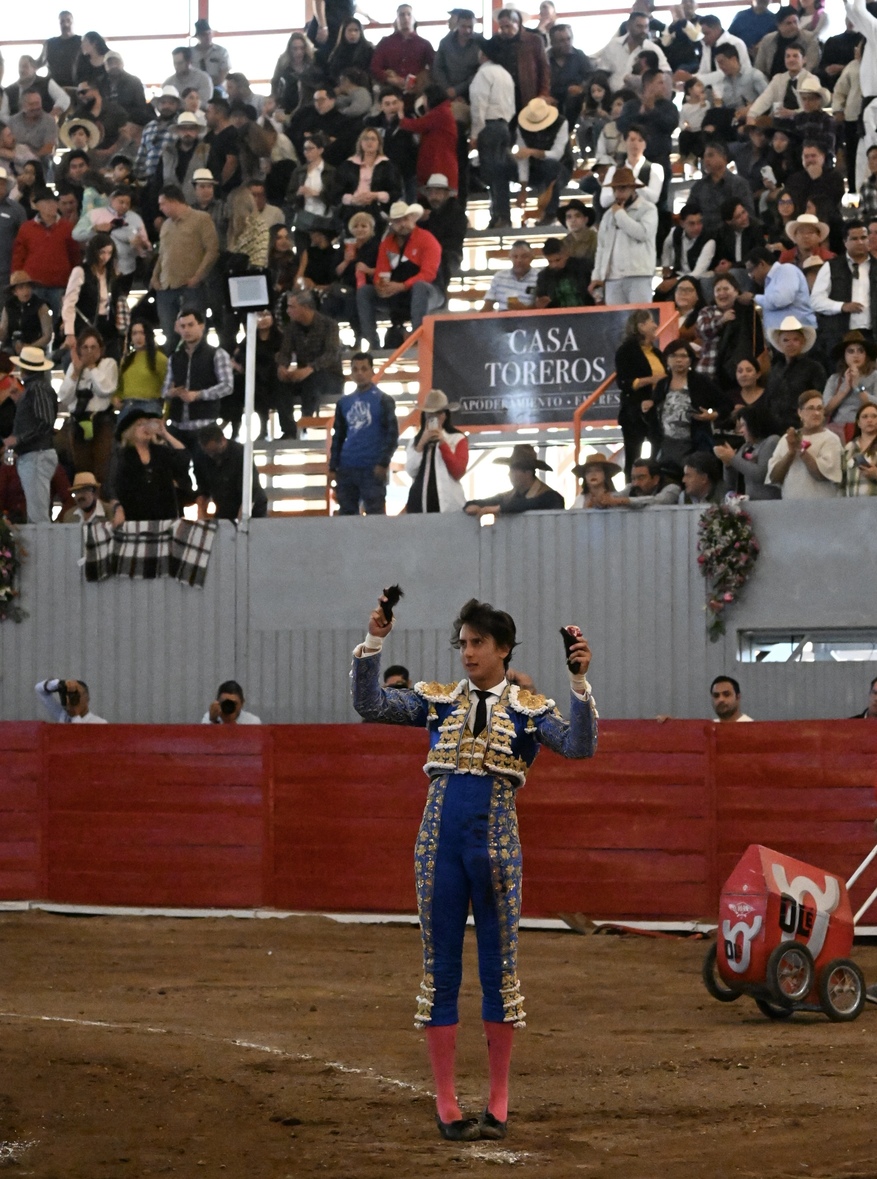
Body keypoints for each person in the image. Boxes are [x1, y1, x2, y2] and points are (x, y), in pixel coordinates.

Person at [351, 593, 597, 1142]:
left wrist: (579, 682)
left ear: (503, 649)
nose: (466, 652)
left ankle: (498, 1101)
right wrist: (374, 641)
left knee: (498, 974)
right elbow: (371, 704)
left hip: (497, 850)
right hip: (438, 846)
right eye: (462, 643)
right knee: (440, 971)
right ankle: (446, 1103)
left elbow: (580, 747)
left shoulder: (531, 709)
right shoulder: (438, 701)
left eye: (477, 643)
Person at [357, 200, 443, 350]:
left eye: (405, 219)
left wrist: (402, 286)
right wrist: (381, 286)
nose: (402, 224)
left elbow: (428, 275)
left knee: (420, 287)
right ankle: (373, 344)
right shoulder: (386, 243)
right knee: (364, 292)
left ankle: (419, 339)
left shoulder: (427, 239)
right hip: (400, 294)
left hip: (430, 292)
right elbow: (381, 272)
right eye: (397, 221)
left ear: (412, 219)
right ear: (392, 223)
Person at [151, 185, 220, 354]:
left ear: (174, 201)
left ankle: (198, 365)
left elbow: (212, 250)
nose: (160, 208)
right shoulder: (166, 225)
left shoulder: (201, 219)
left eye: (163, 203)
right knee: (170, 335)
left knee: (195, 333)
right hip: (166, 286)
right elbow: (162, 254)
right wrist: (154, 276)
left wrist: (198, 276)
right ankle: (174, 366)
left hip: (190, 287)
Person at [328, 352, 398, 516]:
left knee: (375, 516)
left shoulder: (384, 400)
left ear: (372, 371)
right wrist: (333, 467)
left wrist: (383, 463)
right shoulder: (343, 403)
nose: (360, 373)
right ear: (351, 373)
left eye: (364, 369)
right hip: (347, 467)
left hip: (372, 467)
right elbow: (338, 437)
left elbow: (392, 434)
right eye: (355, 369)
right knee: (346, 516)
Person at [646, 337, 731, 467]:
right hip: (665, 446)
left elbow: (726, 404)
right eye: (673, 356)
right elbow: (653, 416)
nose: (678, 360)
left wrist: (712, 414)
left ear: (690, 360)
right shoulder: (662, 384)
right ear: (667, 359)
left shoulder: (700, 381)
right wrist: (646, 408)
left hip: (694, 446)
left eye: (683, 356)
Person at [162, 307, 233, 449]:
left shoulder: (217, 354)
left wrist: (198, 395)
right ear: (178, 328)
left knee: (204, 462)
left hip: (205, 424)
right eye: (183, 326)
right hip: (177, 424)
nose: (186, 330)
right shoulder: (174, 357)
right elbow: (164, 389)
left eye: (190, 325)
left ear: (202, 326)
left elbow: (227, 386)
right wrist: (171, 392)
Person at [2, 345, 58, 522]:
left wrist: (18, 439)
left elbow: (45, 423)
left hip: (36, 455)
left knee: (38, 515)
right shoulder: (36, 389)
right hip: (36, 455)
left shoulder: (37, 389)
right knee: (37, 512)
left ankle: (42, 541)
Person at [810, 221, 877, 367]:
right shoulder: (831, 266)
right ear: (845, 242)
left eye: (863, 237)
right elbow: (815, 301)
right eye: (854, 238)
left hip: (871, 335)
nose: (860, 242)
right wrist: (841, 306)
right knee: (840, 375)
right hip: (840, 335)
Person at [11, 187, 81, 326]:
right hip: (33, 283)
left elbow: (74, 255)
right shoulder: (26, 228)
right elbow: (18, 256)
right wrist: (17, 280)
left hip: (59, 283)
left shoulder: (67, 227)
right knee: (33, 321)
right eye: (47, 202)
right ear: (37, 206)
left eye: (54, 202)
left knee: (59, 321)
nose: (51, 205)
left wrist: (74, 280)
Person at [111, 406, 192, 524]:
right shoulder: (122, 455)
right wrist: (118, 507)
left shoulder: (160, 451)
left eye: (147, 423)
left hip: (164, 516)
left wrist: (165, 434)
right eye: (140, 424)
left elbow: (183, 458)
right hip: (135, 517)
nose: (146, 427)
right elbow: (112, 485)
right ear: (130, 431)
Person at [589, 167, 658, 306]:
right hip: (612, 277)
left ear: (633, 188)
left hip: (638, 274)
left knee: (640, 316)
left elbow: (643, 234)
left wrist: (620, 214)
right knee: (616, 319)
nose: (618, 193)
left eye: (622, 188)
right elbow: (601, 247)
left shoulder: (648, 209)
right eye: (615, 189)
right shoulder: (608, 215)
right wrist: (597, 276)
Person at [58, 327, 118, 484]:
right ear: (79, 349)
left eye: (93, 347)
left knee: (101, 469)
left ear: (100, 349)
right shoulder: (74, 366)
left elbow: (106, 390)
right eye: (85, 347)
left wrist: (92, 368)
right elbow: (64, 397)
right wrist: (75, 373)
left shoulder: (108, 364)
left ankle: (101, 497)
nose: (89, 351)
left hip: (101, 420)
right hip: (78, 421)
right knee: (81, 470)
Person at [277, 289, 344, 420]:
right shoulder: (291, 328)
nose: (288, 311)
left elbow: (331, 354)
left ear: (306, 307)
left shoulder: (329, 325)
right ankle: (288, 426)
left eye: (292, 307)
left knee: (312, 379)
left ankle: (306, 420)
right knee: (280, 384)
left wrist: (310, 368)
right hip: (304, 376)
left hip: (330, 377)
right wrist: (282, 367)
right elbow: (285, 352)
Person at [613, 309, 665, 477]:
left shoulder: (657, 353)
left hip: (656, 410)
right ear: (641, 326)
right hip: (634, 411)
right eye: (651, 322)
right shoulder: (626, 351)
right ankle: (632, 484)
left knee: (658, 452)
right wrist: (652, 379)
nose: (655, 325)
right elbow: (624, 382)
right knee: (633, 455)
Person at [766, 388, 843, 498]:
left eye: (819, 408)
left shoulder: (831, 439)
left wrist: (801, 450)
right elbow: (774, 478)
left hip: (822, 503)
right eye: (811, 408)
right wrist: (790, 453)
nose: (816, 413)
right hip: (790, 502)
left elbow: (822, 475)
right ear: (800, 412)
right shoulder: (786, 439)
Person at [405, 388, 468, 513]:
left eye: (438, 413)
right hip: (420, 504)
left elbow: (458, 471)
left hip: (450, 505)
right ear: (425, 415)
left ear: (445, 415)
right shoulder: (415, 441)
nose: (434, 417)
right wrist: (421, 443)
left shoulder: (457, 438)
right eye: (430, 413)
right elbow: (411, 470)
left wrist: (443, 443)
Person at [332, 126, 402, 232]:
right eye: (366, 139)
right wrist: (353, 199)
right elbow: (335, 193)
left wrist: (375, 195)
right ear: (360, 143)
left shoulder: (388, 166)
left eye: (373, 139)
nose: (369, 142)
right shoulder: (348, 165)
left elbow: (396, 192)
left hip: (377, 209)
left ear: (379, 143)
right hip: (351, 209)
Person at [763, 316, 826, 432]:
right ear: (779, 343)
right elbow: (768, 399)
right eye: (785, 340)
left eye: (795, 339)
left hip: (801, 425)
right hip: (772, 425)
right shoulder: (775, 369)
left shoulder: (814, 368)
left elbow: (819, 398)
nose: (790, 344)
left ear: (803, 342)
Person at [194, 424, 268, 522]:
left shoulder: (241, 453)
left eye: (215, 451)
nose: (211, 456)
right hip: (224, 507)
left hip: (252, 506)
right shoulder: (201, 456)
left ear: (223, 440)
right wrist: (201, 516)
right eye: (208, 452)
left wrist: (241, 522)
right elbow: (203, 490)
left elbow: (250, 491)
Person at [464, 444, 564, 515]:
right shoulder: (507, 497)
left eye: (513, 471)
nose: (509, 474)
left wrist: (498, 508)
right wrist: (472, 506)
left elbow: (527, 504)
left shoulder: (550, 497)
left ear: (527, 473)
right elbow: (480, 503)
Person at [714, 400, 781, 498]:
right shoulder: (745, 447)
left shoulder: (772, 441)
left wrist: (732, 458)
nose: (741, 430)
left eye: (743, 425)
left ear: (754, 423)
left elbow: (760, 475)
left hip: (769, 502)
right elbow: (729, 485)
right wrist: (727, 464)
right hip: (750, 502)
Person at [488, 8, 551, 110]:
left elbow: (544, 69)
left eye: (508, 26)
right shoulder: (497, 42)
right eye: (502, 27)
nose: (505, 31)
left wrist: (543, 93)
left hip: (528, 93)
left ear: (517, 23)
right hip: (504, 96)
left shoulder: (534, 40)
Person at [688, 140, 755, 235]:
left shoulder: (739, 184)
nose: (706, 160)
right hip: (704, 235)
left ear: (724, 158)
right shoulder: (698, 187)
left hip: (732, 235)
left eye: (710, 155)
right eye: (704, 156)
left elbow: (749, 214)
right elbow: (689, 212)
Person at [822, 331, 877, 436]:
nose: (856, 355)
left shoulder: (875, 376)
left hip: (867, 428)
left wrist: (858, 386)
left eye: (860, 351)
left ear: (866, 355)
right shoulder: (834, 379)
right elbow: (825, 410)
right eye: (851, 351)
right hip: (838, 428)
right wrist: (844, 390)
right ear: (844, 356)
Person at [370, 4, 436, 89]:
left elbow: (435, 67)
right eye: (401, 15)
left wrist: (423, 78)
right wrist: (389, 79)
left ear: (414, 19)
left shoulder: (424, 44)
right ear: (396, 19)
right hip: (390, 89)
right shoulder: (385, 43)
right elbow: (374, 67)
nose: (405, 17)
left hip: (417, 90)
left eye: (409, 14)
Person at [589, 455, 682, 508]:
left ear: (656, 479)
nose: (636, 483)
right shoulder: (631, 488)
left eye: (641, 478)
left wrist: (624, 501)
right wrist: (602, 500)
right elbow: (617, 496)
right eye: (633, 478)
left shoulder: (672, 488)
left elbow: (659, 501)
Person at [0, 271, 53, 355]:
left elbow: (47, 336)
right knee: (5, 354)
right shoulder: (8, 306)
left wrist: (29, 347)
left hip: (35, 347)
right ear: (14, 292)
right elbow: (3, 333)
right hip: (11, 347)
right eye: (21, 288)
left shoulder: (41, 306)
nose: (26, 291)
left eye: (28, 286)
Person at [534, 238, 592, 308]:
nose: (554, 265)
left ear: (566, 254)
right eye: (550, 261)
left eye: (558, 260)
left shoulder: (584, 267)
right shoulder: (544, 277)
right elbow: (541, 301)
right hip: (557, 314)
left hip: (588, 311)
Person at [483, 242, 538, 311]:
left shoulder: (540, 277)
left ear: (532, 257)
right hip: (503, 316)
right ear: (510, 257)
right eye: (515, 256)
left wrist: (523, 309)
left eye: (524, 256)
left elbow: (542, 307)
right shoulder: (499, 277)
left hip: (530, 317)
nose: (519, 260)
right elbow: (488, 306)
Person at [35, 677, 107, 724]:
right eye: (69, 695)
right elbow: (39, 689)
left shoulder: (99, 723)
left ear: (87, 698)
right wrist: (59, 684)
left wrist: (75, 715)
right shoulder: (63, 716)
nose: (72, 698)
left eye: (76, 694)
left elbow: (77, 737)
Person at [40, 11, 82, 90]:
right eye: (62, 21)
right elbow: (40, 62)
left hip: (76, 87)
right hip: (54, 88)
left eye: (68, 20)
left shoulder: (82, 41)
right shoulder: (50, 43)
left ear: (73, 22)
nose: (65, 24)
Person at [842, 401, 877, 495]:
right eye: (865, 417)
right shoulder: (849, 448)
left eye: (874, 416)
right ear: (858, 423)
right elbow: (842, 481)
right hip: (852, 502)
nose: (869, 420)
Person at [193, 19, 230, 90]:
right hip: (196, 88)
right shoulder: (191, 53)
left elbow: (224, 72)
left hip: (217, 88)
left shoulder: (221, 51)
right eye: (203, 34)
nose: (207, 37)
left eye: (209, 33)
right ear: (198, 36)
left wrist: (208, 84)